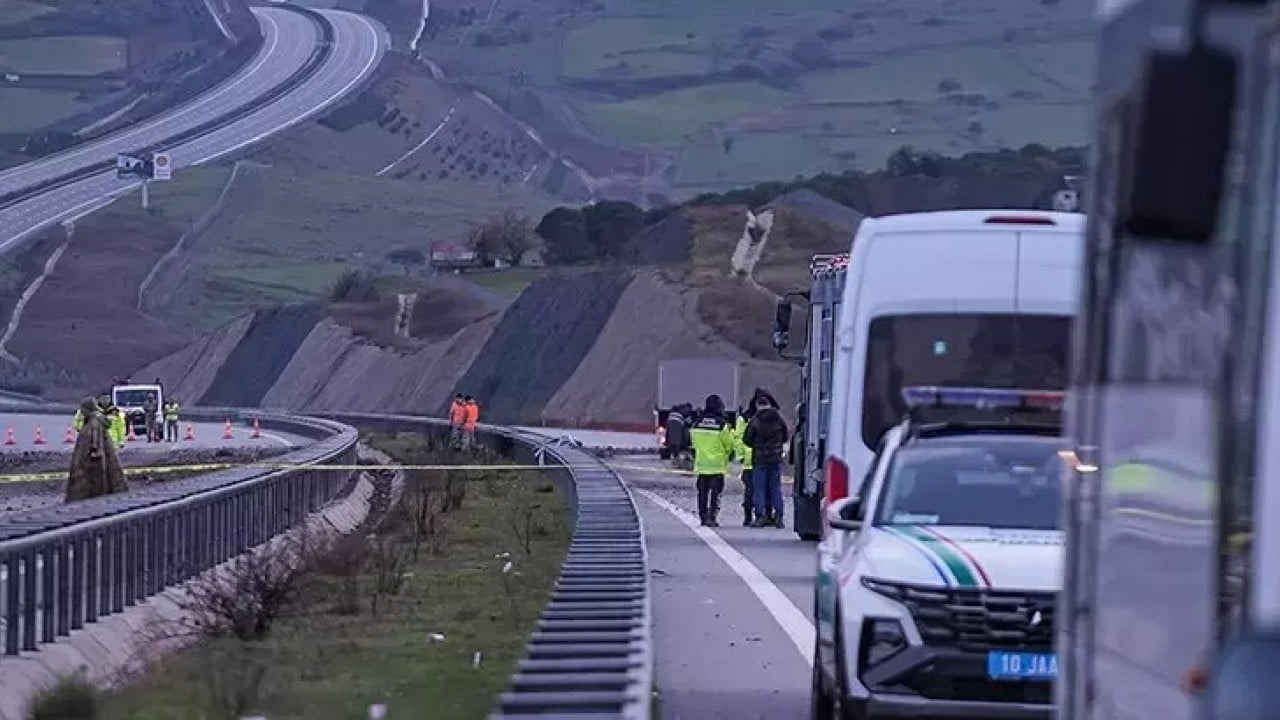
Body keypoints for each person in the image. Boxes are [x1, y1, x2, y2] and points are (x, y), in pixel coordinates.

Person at [66, 397, 128, 502]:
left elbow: (95, 443)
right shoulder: (95, 421)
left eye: (83, 409)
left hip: (91, 461)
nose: (81, 412)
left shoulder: (94, 423)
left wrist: (93, 454)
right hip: (103, 456)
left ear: (88, 408)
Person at [744, 392, 789, 528]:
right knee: (775, 488)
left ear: (758, 406)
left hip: (760, 459)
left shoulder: (755, 420)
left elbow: (747, 439)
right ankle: (779, 517)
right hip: (775, 459)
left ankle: (760, 517)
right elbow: (785, 437)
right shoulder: (779, 419)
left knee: (759, 490)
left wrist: (758, 445)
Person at [689, 394, 735, 527]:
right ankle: (712, 516)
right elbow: (729, 444)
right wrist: (728, 455)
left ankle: (703, 516)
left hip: (702, 465)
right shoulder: (722, 425)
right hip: (717, 465)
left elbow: (693, 442)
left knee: (702, 493)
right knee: (716, 494)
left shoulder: (697, 423)